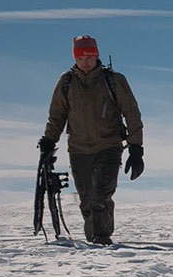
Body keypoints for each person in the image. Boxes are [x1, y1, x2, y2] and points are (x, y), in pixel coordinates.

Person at [40, 35, 144, 245]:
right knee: (87, 201)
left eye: (89, 57)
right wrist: (49, 142)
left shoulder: (113, 80)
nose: (85, 62)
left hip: (109, 147)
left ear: (96, 55)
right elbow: (57, 116)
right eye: (80, 58)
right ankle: (95, 241)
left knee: (100, 197)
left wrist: (136, 148)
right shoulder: (66, 82)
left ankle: (101, 239)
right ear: (75, 58)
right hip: (78, 150)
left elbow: (132, 114)